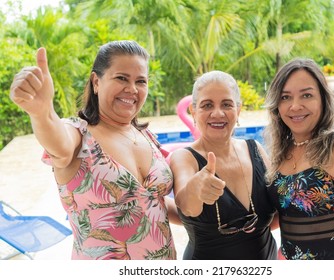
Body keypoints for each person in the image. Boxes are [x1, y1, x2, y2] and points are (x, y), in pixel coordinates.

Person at [9, 40, 179, 260]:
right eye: (121, 78)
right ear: (96, 82)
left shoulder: (147, 138)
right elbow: (58, 146)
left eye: (141, 81)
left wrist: (206, 211)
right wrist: (42, 113)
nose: (132, 89)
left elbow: (156, 203)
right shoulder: (79, 136)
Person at [263, 58, 334, 260]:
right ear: (276, 105)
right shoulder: (279, 153)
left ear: (323, 99)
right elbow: (281, 214)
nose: (295, 106)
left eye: (307, 95)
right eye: (285, 97)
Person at [169, 70, 278, 260]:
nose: (217, 113)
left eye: (226, 104)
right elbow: (187, 205)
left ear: (238, 110)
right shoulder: (184, 157)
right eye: (207, 105)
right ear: (194, 112)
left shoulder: (255, 149)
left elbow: (279, 210)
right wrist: (196, 189)